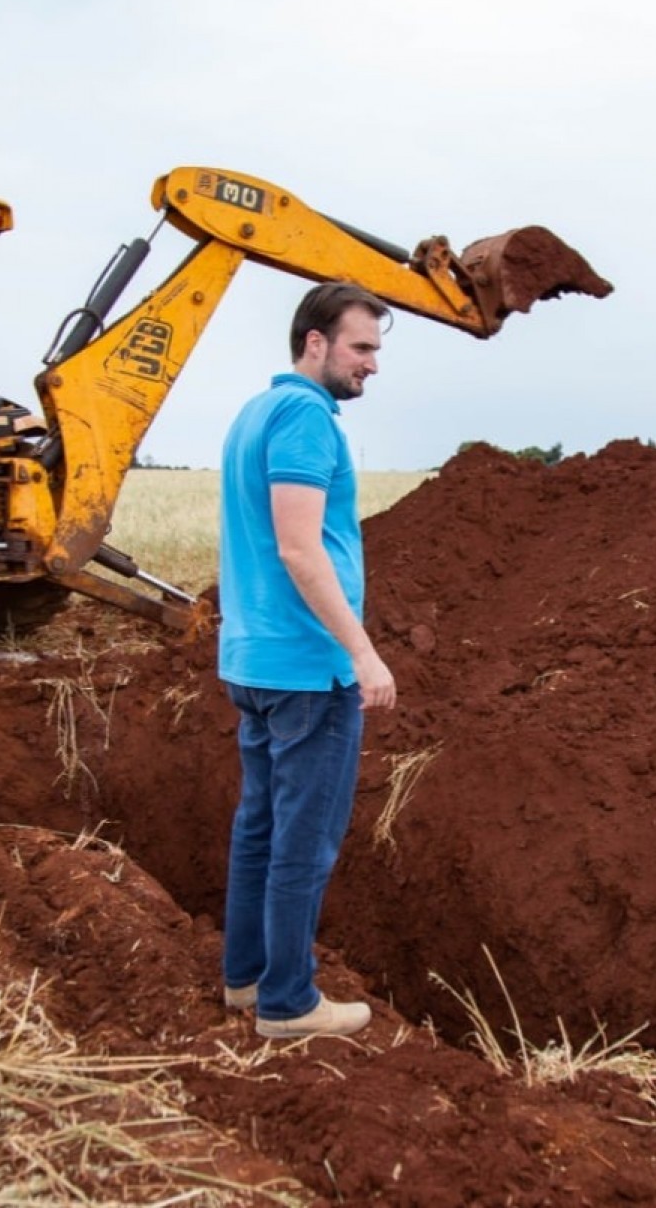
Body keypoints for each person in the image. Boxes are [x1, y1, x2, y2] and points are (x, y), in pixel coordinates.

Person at [217, 281, 396, 1039]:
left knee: (260, 823)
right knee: (304, 838)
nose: (372, 366)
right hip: (307, 668)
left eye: (377, 351)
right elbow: (298, 546)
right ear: (314, 342)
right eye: (361, 348)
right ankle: (289, 1003)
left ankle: (247, 979)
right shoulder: (305, 417)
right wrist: (362, 653)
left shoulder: (254, 412)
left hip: (254, 659)